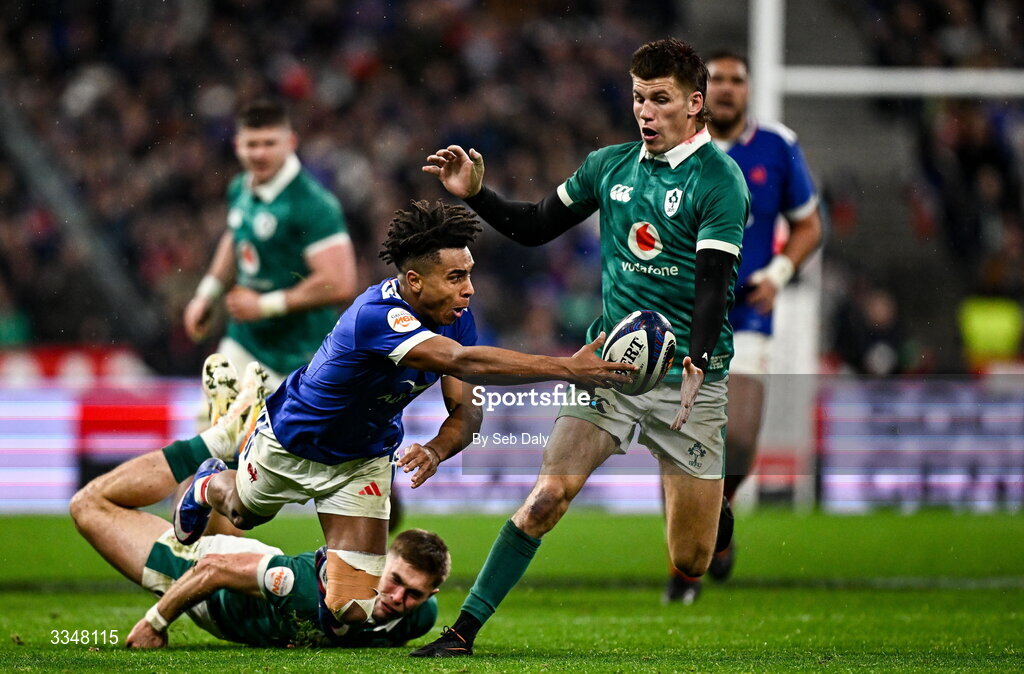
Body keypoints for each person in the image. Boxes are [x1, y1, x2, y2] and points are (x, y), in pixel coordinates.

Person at [412, 37, 749, 656]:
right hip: (609, 371)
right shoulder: (609, 167)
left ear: (696, 104)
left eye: (661, 99)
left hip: (690, 380)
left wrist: (698, 360)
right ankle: (463, 632)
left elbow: (713, 286)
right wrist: (477, 195)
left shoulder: (720, 181)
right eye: (638, 98)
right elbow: (536, 225)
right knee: (546, 498)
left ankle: (719, 514)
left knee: (692, 558)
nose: (645, 112)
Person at [174, 199, 634, 636]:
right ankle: (207, 482)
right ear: (414, 281)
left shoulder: (457, 318)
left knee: (351, 611)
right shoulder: (376, 315)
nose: (469, 289)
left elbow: (467, 410)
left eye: (469, 275)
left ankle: (326, 571)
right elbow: (462, 362)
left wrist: (437, 448)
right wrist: (566, 368)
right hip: (292, 441)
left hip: (363, 459)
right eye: (456, 277)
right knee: (241, 511)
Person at [67, 375, 450, 648]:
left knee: (200, 516)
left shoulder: (421, 616)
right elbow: (213, 570)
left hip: (247, 563)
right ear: (380, 562)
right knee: (88, 505)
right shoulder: (306, 587)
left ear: (430, 593)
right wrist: (155, 623)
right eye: (395, 579)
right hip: (204, 585)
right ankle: (215, 441)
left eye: (413, 593)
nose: (398, 597)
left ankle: (224, 449)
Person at [661, 50, 824, 603]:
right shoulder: (669, 145)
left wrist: (779, 272)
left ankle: (716, 518)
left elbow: (808, 224)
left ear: (748, 90)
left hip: (746, 310)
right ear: (700, 93)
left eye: (738, 80)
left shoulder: (777, 145)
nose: (729, 88)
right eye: (718, 80)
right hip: (679, 313)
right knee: (676, 439)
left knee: (744, 442)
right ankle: (686, 569)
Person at [183, 98, 357, 390]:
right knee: (214, 431)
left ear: (290, 142)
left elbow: (340, 283)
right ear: (238, 145)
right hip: (245, 341)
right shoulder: (240, 187)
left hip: (299, 352)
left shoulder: (313, 204)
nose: (259, 153)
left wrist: (265, 305)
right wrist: (206, 294)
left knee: (278, 437)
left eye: (269, 143)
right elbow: (236, 236)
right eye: (252, 144)